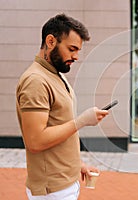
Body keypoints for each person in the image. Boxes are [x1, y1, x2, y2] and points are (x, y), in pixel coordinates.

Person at [16, 13, 108, 199]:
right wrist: (82, 121)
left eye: (78, 51)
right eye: (71, 49)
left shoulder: (56, 74)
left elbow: (59, 126)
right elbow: (35, 141)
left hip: (65, 182)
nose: (76, 57)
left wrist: (77, 166)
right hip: (52, 190)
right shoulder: (36, 81)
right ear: (50, 41)